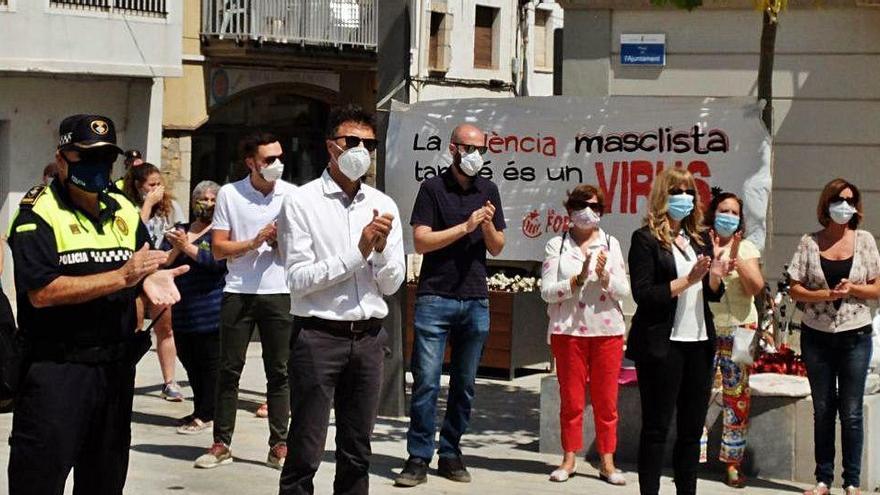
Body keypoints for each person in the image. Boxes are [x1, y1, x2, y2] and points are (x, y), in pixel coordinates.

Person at [6, 114, 188, 494]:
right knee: (39, 480)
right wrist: (123, 276)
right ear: (61, 160)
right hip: (57, 371)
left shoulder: (122, 208)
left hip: (114, 369)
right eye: (86, 157)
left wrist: (152, 279)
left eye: (104, 159)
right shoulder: (36, 213)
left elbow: (141, 266)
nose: (97, 168)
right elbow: (42, 292)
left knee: (104, 481)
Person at [278, 104, 405, 494]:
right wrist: (359, 251)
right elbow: (298, 279)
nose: (362, 151)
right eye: (353, 141)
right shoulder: (302, 202)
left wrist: (381, 252)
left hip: (368, 339)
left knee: (357, 450)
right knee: (305, 447)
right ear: (331, 146)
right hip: (318, 337)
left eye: (370, 143)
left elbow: (391, 284)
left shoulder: (383, 204)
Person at [394, 123, 505, 487]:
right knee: (426, 381)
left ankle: (452, 451)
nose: (475, 155)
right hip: (435, 298)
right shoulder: (432, 188)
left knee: (465, 383)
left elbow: (498, 245)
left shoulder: (488, 189)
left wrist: (485, 225)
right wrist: (466, 225)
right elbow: (422, 241)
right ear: (453, 149)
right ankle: (418, 456)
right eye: (468, 148)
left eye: (480, 149)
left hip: (475, 299)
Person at [194, 131, 296, 470]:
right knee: (229, 369)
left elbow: (302, 248)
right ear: (251, 162)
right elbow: (219, 248)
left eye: (280, 157)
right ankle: (222, 443)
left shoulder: (291, 195)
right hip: (238, 289)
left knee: (279, 371)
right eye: (269, 160)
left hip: (278, 290)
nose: (277, 165)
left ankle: (279, 444)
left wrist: (281, 241)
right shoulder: (230, 194)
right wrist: (254, 242)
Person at [626, 167, 727, 495]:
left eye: (689, 193)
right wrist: (688, 280)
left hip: (698, 342)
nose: (684, 199)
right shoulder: (645, 239)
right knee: (656, 428)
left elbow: (712, 294)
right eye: (677, 192)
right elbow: (644, 294)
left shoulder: (699, 238)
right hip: (662, 344)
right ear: (662, 196)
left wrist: (715, 276)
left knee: (691, 429)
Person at [788, 179, 879, 495]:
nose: (844, 205)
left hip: (856, 334)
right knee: (823, 408)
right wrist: (824, 293)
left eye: (850, 200)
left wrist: (853, 289)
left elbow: (877, 286)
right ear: (826, 204)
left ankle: (851, 481)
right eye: (838, 199)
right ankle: (823, 478)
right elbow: (794, 287)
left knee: (851, 410)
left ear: (856, 206)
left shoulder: (865, 240)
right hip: (817, 335)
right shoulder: (809, 242)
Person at [540, 184, 630, 486]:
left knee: (606, 401)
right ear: (569, 210)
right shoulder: (557, 245)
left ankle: (607, 460)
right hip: (568, 331)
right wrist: (576, 280)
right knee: (572, 400)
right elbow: (547, 292)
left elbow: (624, 291)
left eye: (595, 207)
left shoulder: (611, 243)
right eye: (581, 205)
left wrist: (605, 276)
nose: (587, 212)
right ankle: (569, 457)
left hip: (607, 330)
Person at [702, 188, 766, 488]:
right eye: (723, 210)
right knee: (698, 392)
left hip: (743, 330)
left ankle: (732, 463)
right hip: (706, 329)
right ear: (713, 213)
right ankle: (696, 455)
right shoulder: (701, 244)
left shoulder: (748, 248)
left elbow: (756, 287)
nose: (728, 216)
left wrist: (737, 257)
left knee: (737, 398)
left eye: (734, 213)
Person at [161, 181, 226, 434]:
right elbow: (163, 263)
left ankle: (208, 414)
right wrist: (178, 247)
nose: (207, 204)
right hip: (183, 310)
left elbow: (216, 263)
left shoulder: (220, 233)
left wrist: (188, 247)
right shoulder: (180, 231)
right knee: (191, 363)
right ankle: (200, 409)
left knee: (210, 365)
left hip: (211, 313)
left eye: (212, 200)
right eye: (203, 199)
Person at [123, 163, 187, 401]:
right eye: (152, 185)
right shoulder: (128, 207)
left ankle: (169, 381)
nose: (157, 189)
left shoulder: (170, 208)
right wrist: (148, 204)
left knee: (165, 327)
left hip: (160, 270)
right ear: (139, 187)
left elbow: (178, 235)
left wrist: (176, 246)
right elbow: (132, 234)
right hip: (136, 273)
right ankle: (127, 375)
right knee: (135, 327)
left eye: (159, 184)